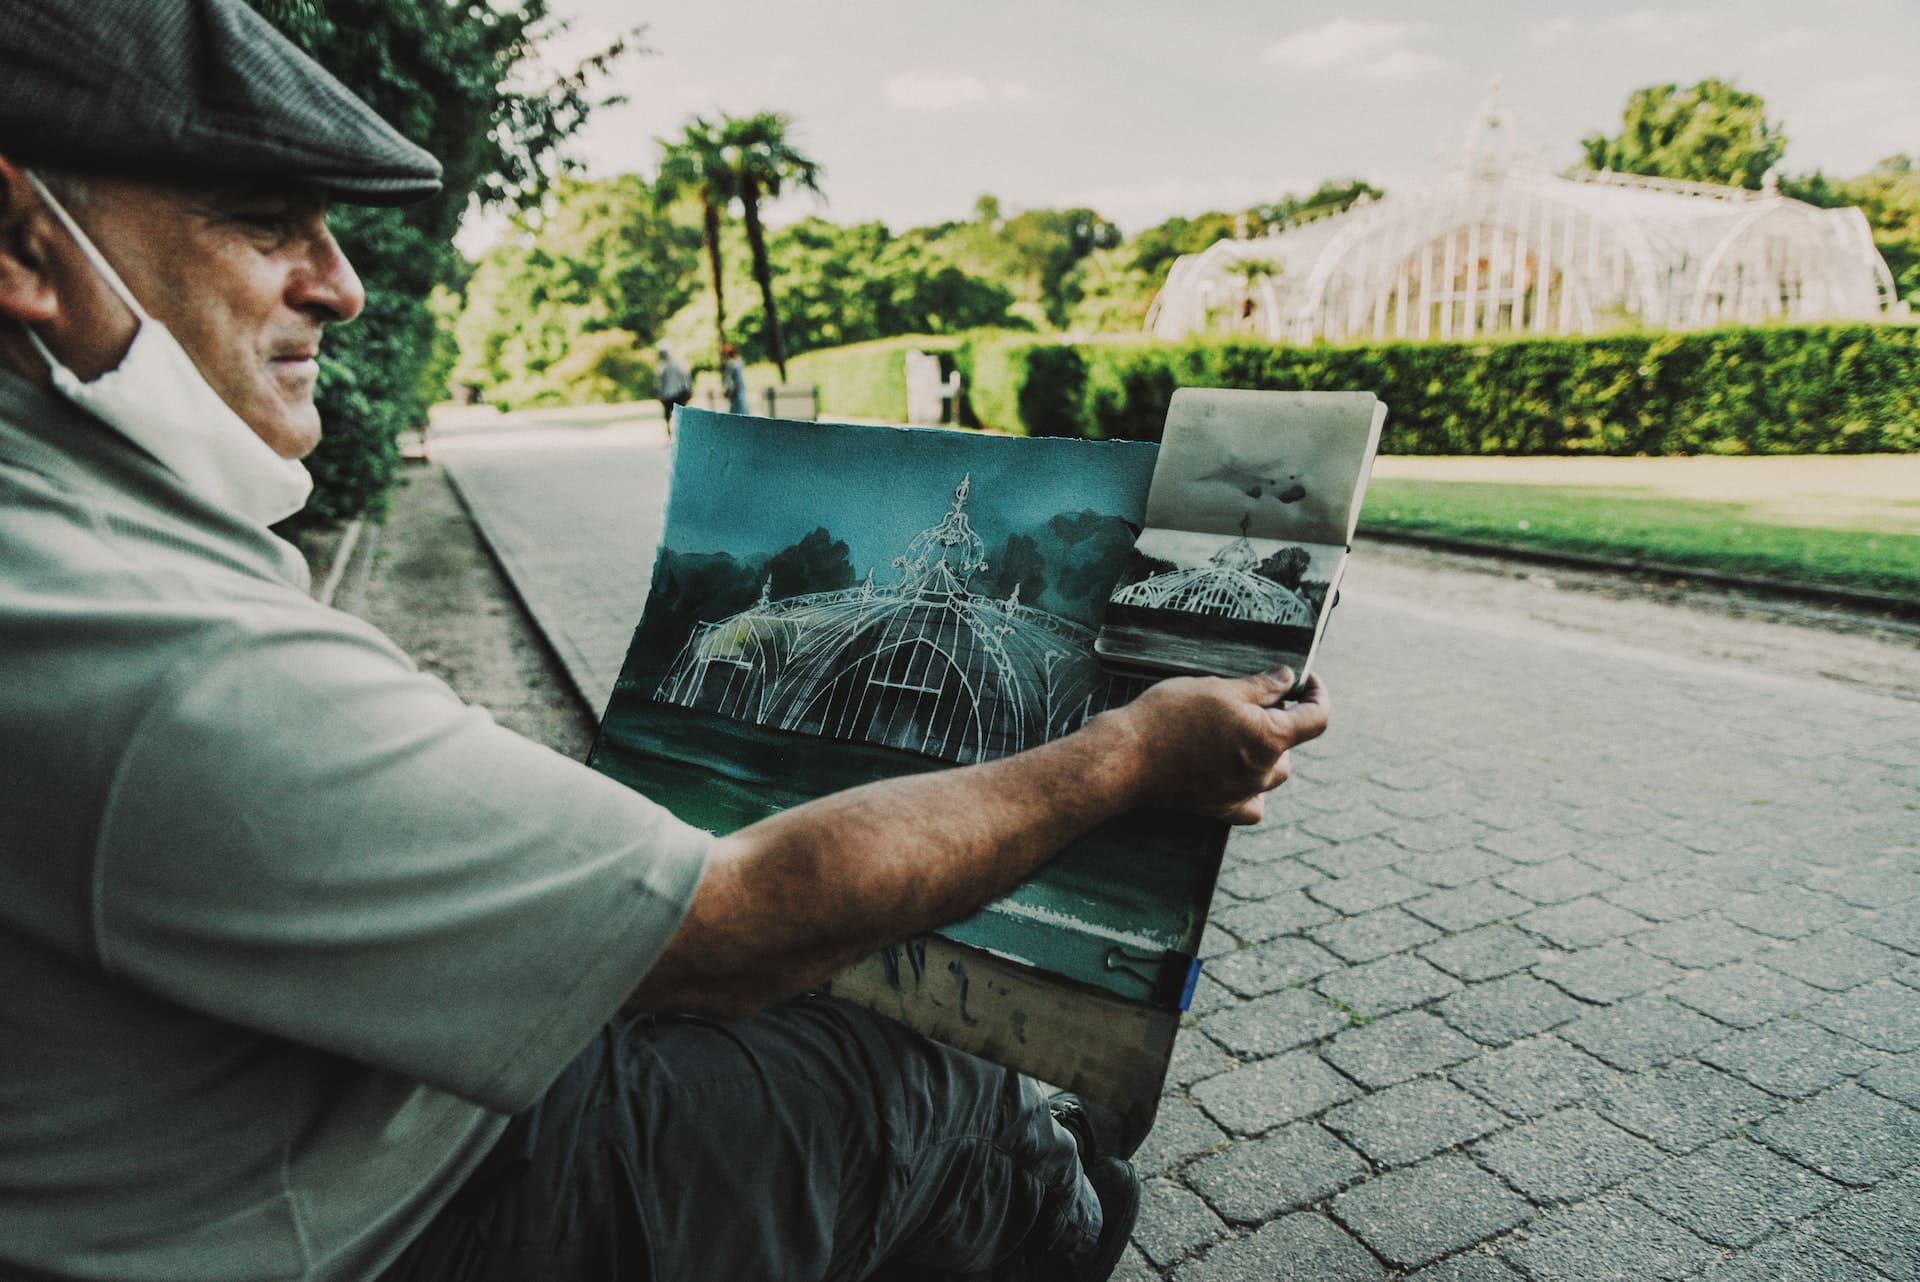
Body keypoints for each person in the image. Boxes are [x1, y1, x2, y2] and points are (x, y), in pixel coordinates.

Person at [0, 2, 1331, 1280]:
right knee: (933, 1061)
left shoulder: (69, 541)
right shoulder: (142, 637)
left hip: (304, 1127)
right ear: (22, 239)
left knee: (869, 1030)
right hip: (390, 1215)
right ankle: (1065, 1194)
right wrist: (1124, 757)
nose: (340, 285)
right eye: (261, 217)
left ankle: (1039, 1178)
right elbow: (730, 922)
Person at [656, 339, 692, 430]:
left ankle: (674, 432)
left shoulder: (662, 366)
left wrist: (660, 394)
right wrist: (688, 390)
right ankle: (678, 431)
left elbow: (659, 383)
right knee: (679, 415)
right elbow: (687, 378)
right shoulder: (679, 363)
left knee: (671, 416)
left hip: (670, 395)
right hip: (679, 393)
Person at [721, 339, 750, 414]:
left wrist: (727, 392)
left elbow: (730, 382)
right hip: (741, 393)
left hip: (736, 396)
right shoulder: (740, 362)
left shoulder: (730, 364)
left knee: (735, 416)